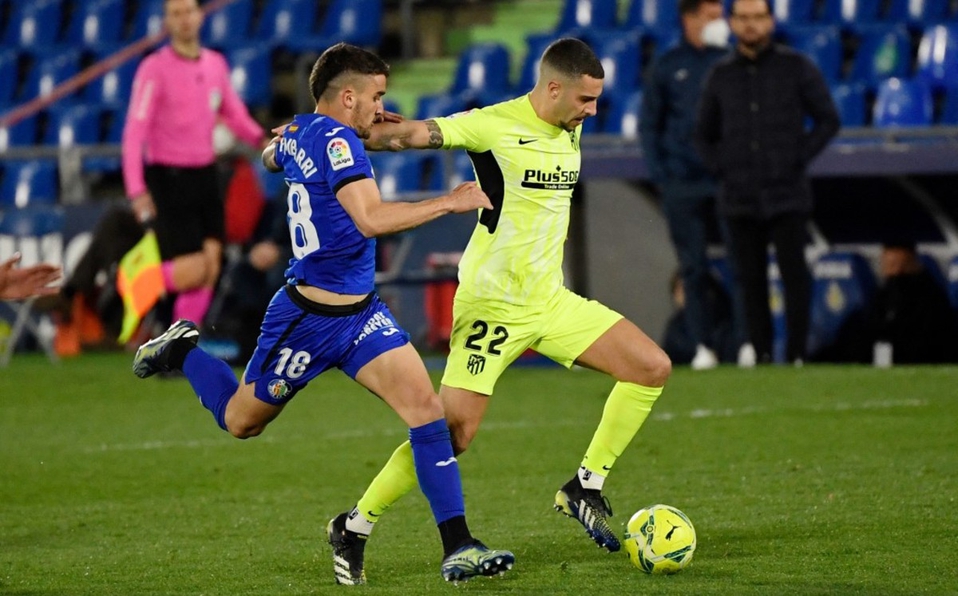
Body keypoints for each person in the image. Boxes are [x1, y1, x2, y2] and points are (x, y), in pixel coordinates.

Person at [131, 43, 514, 586]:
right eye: (376, 96)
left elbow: (272, 156)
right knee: (242, 422)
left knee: (428, 414)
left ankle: (459, 546)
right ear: (349, 95)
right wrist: (447, 202)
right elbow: (370, 219)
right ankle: (183, 350)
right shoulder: (337, 141)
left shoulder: (305, 132)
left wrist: (296, 141)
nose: (381, 107)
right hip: (305, 319)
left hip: (359, 317)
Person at [325, 37, 672, 582]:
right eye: (585, 100)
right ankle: (355, 523)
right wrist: (330, 130)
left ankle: (584, 486)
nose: (593, 112)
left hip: (549, 301)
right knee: (451, 434)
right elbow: (414, 135)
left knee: (651, 367)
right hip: (491, 305)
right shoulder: (493, 124)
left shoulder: (569, 128)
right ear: (552, 87)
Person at [694, 0, 840, 364]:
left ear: (771, 21)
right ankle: (759, 354)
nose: (751, 25)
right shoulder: (720, 75)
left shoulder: (796, 67)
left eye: (758, 17)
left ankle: (796, 354)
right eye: (743, 18)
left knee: (795, 276)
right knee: (749, 280)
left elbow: (828, 119)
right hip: (739, 195)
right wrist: (723, 167)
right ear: (732, 23)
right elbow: (701, 135)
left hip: (787, 192)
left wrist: (796, 157)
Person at [121, 0, 267, 333]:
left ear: (201, 16)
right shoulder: (154, 68)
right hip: (169, 177)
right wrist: (136, 189)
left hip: (205, 175)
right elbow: (134, 131)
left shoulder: (215, 64)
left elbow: (234, 112)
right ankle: (137, 280)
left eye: (189, 11)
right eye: (176, 14)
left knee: (211, 266)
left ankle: (177, 348)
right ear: (167, 22)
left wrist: (263, 139)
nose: (184, 19)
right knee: (194, 268)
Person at [641, 0, 751, 370]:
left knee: (740, 263)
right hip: (683, 185)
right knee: (693, 267)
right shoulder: (668, 66)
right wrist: (663, 177)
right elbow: (650, 125)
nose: (720, 23)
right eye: (712, 17)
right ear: (690, 20)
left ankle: (745, 344)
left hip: (728, 182)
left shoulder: (734, 64)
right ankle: (704, 346)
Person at [869, 243, 958, 364]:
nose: (894, 271)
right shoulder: (883, 295)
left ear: (911, 262)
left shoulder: (930, 297)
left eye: (896, 265)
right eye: (889, 265)